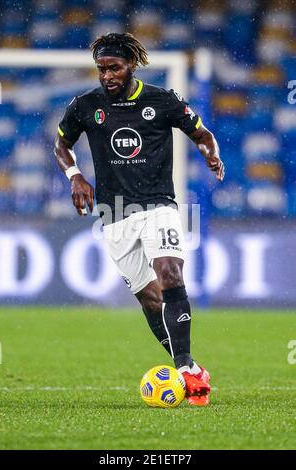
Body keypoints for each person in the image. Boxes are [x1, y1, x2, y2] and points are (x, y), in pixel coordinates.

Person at [54, 32, 224, 406]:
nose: (107, 76)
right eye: (101, 69)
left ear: (131, 65)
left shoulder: (161, 101)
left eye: (114, 68)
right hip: (114, 214)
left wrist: (209, 154)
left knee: (169, 273)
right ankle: (191, 367)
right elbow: (62, 143)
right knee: (149, 298)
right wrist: (75, 176)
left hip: (157, 204)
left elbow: (201, 132)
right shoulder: (86, 105)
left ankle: (183, 370)